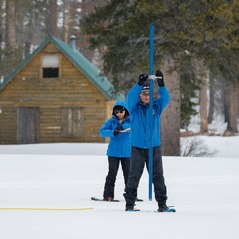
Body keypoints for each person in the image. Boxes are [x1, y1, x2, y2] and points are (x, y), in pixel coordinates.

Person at [123, 70, 170, 212]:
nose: (147, 96)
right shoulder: (134, 108)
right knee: (134, 176)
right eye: (144, 94)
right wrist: (139, 84)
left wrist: (161, 84)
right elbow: (129, 98)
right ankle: (129, 204)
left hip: (153, 147)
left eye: (149, 93)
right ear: (140, 96)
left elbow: (166, 98)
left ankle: (162, 204)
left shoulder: (156, 106)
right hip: (137, 147)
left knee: (158, 176)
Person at [99, 100, 131, 201]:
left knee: (129, 176)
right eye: (116, 112)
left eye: (121, 111)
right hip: (113, 153)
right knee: (112, 174)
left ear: (125, 111)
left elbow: (136, 126)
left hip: (127, 153)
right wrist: (113, 132)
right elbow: (102, 132)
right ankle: (108, 195)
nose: (119, 114)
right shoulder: (111, 121)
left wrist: (122, 127)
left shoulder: (131, 121)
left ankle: (131, 195)